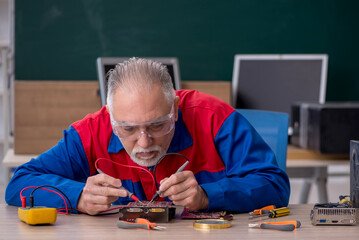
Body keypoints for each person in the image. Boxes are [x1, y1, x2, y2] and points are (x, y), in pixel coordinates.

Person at [5, 57, 290, 215]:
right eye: (127, 129)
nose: (144, 143)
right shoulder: (90, 131)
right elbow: (19, 183)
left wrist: (206, 195)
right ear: (110, 116)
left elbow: (275, 185)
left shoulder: (214, 118)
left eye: (156, 125)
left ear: (175, 109)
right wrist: (77, 195)